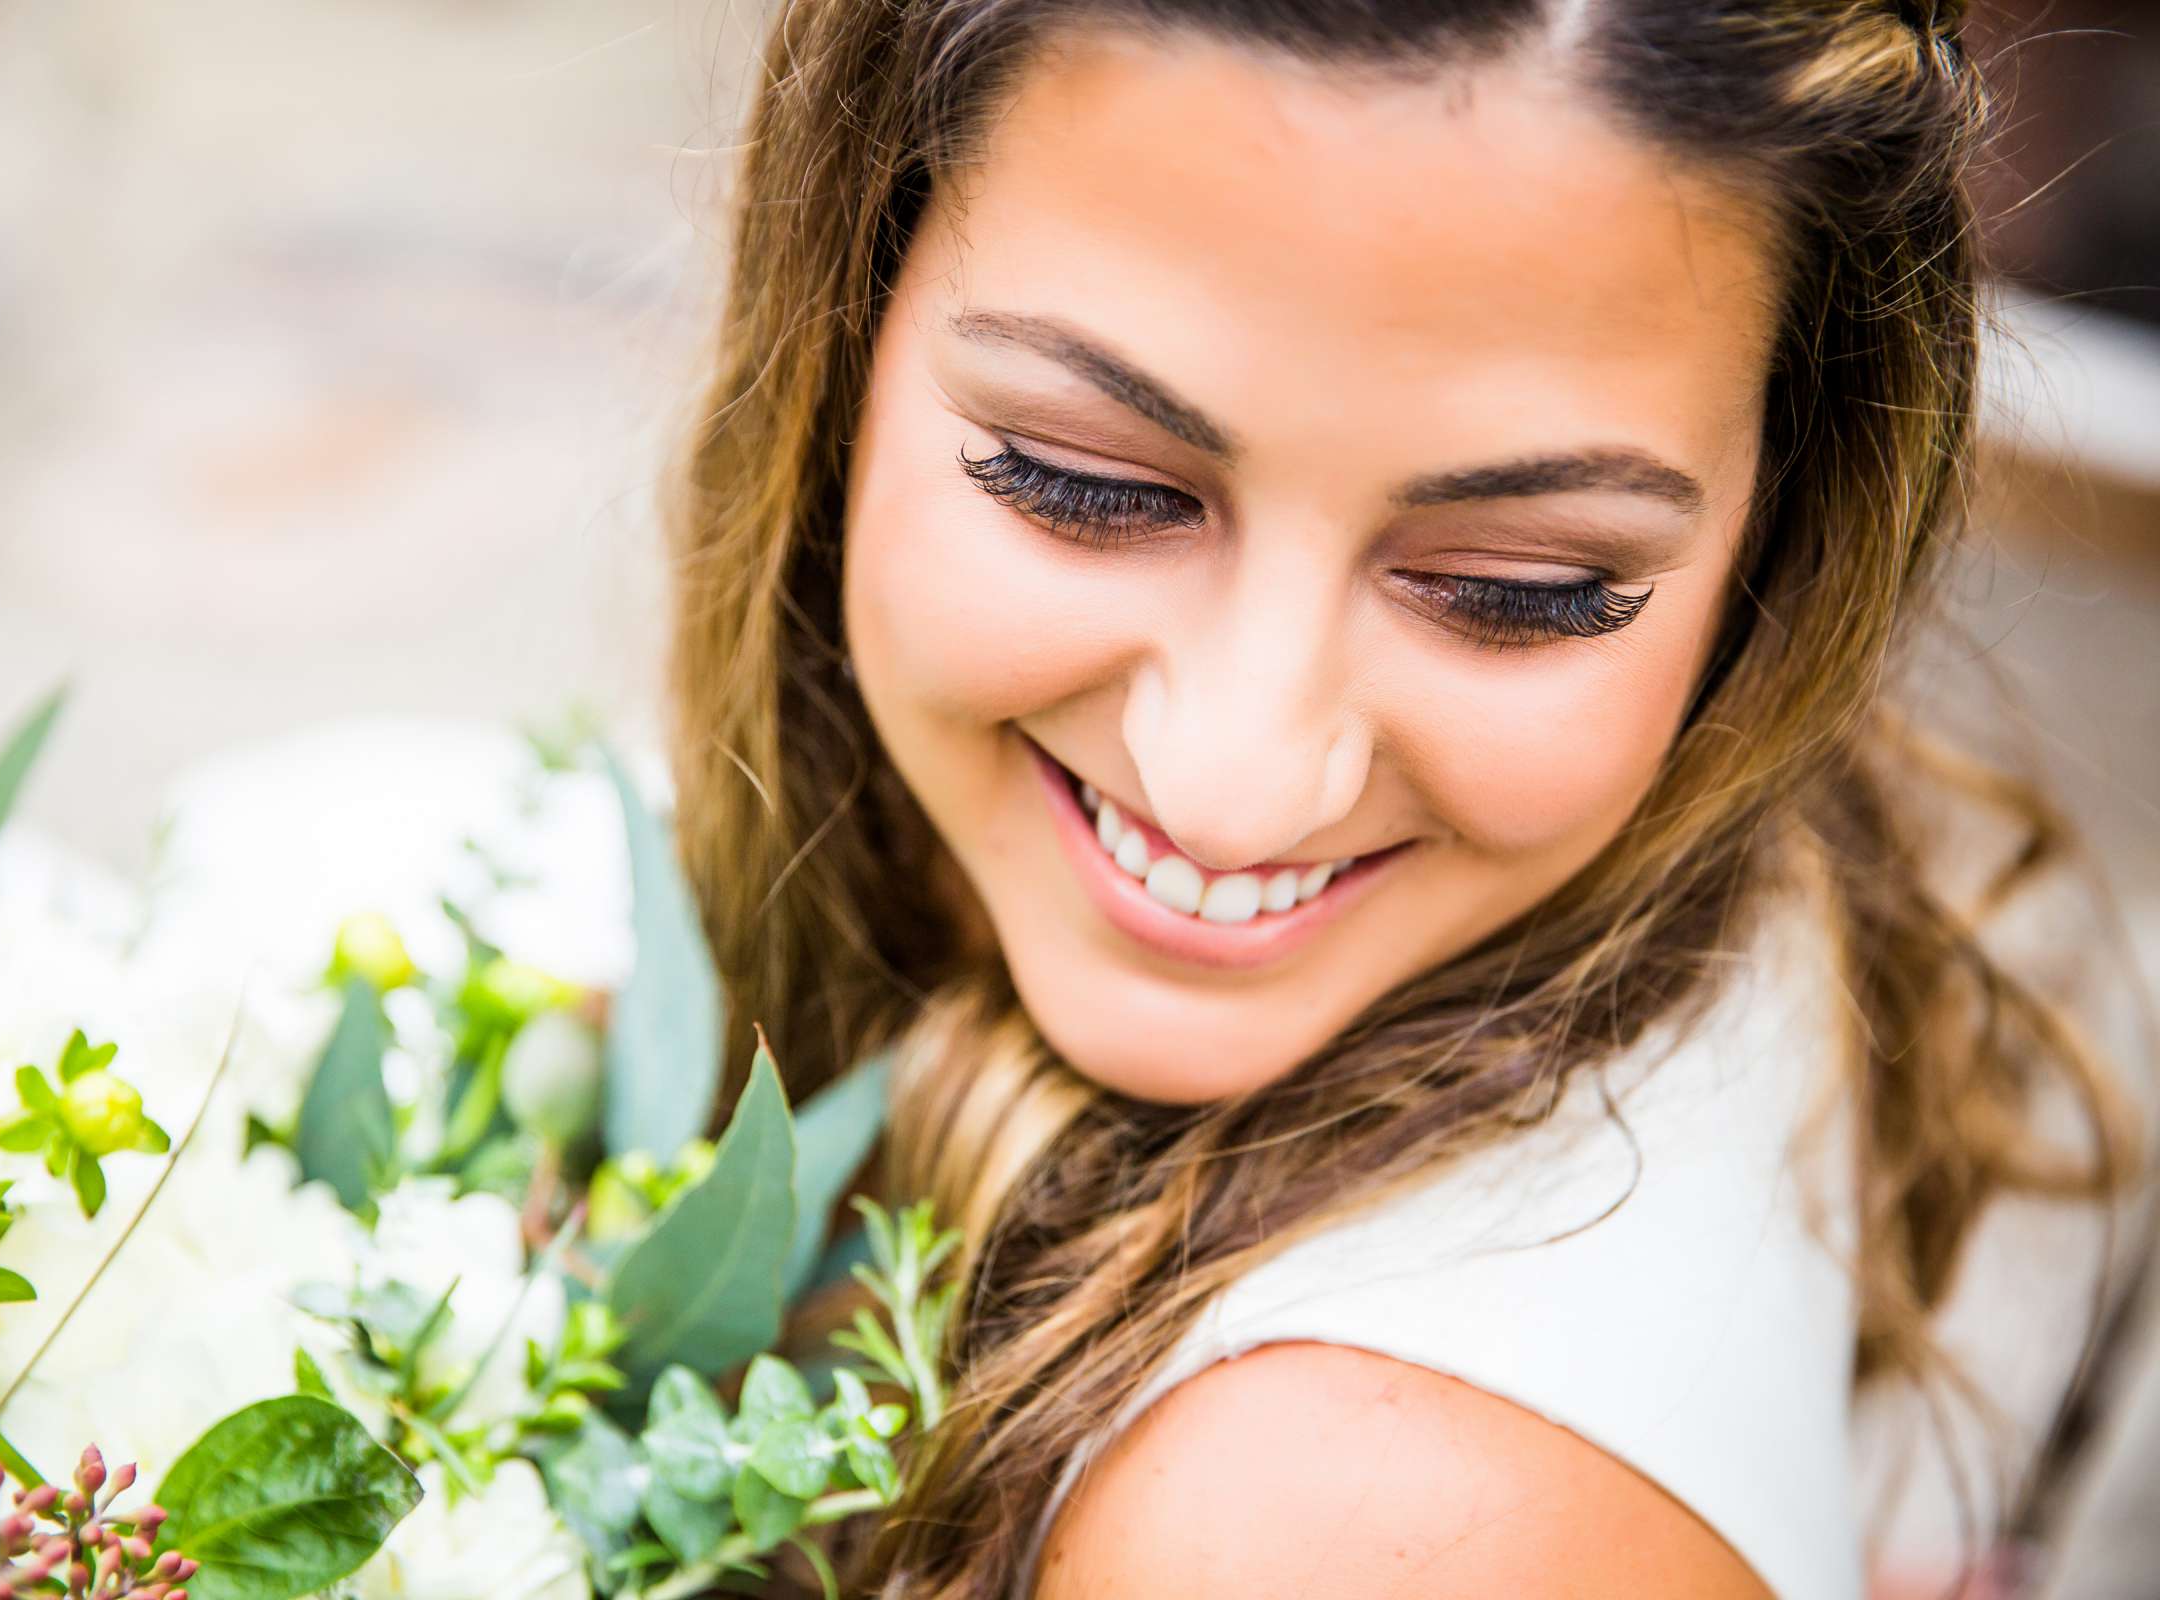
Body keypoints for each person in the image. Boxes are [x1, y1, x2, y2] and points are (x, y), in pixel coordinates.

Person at [661, 1, 2133, 1594]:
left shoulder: (1334, 1525)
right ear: (845, 305)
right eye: (1083, 484)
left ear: (1780, 534)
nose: (1234, 789)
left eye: (1517, 587)